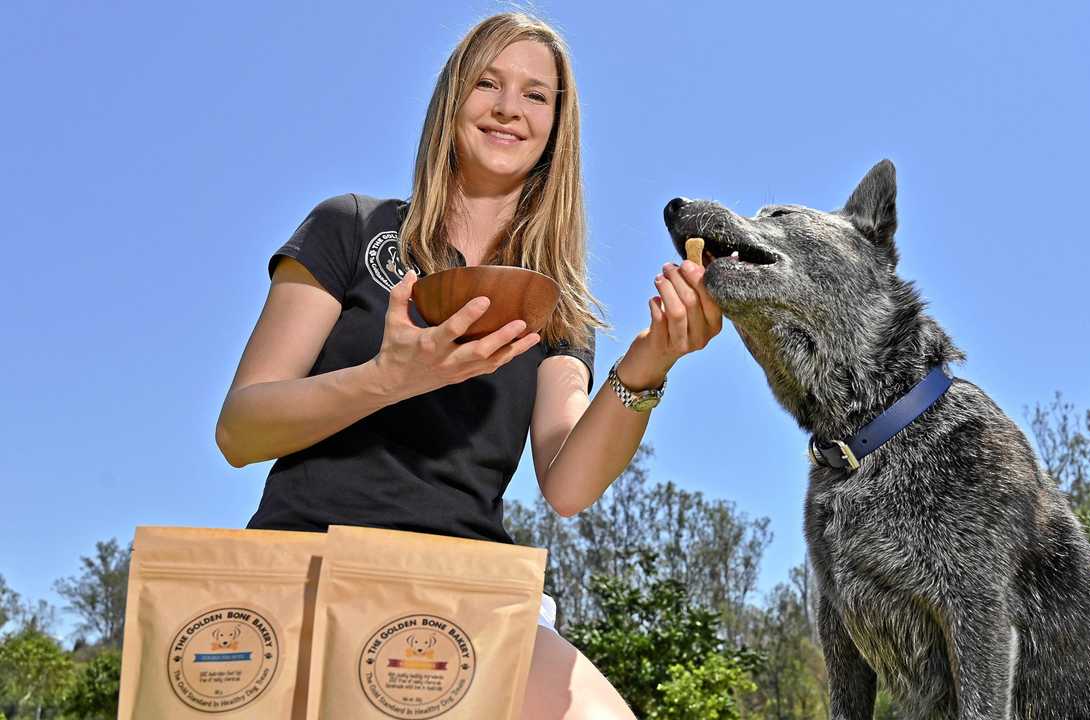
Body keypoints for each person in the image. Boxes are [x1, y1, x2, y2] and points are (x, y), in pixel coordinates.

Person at [214, 12, 720, 720]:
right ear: (452, 100)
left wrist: (649, 363)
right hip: (306, 566)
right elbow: (240, 428)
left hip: (465, 588)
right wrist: (385, 380)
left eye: (536, 95)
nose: (510, 107)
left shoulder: (557, 304)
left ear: (556, 127)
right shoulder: (350, 229)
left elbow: (568, 482)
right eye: (488, 83)